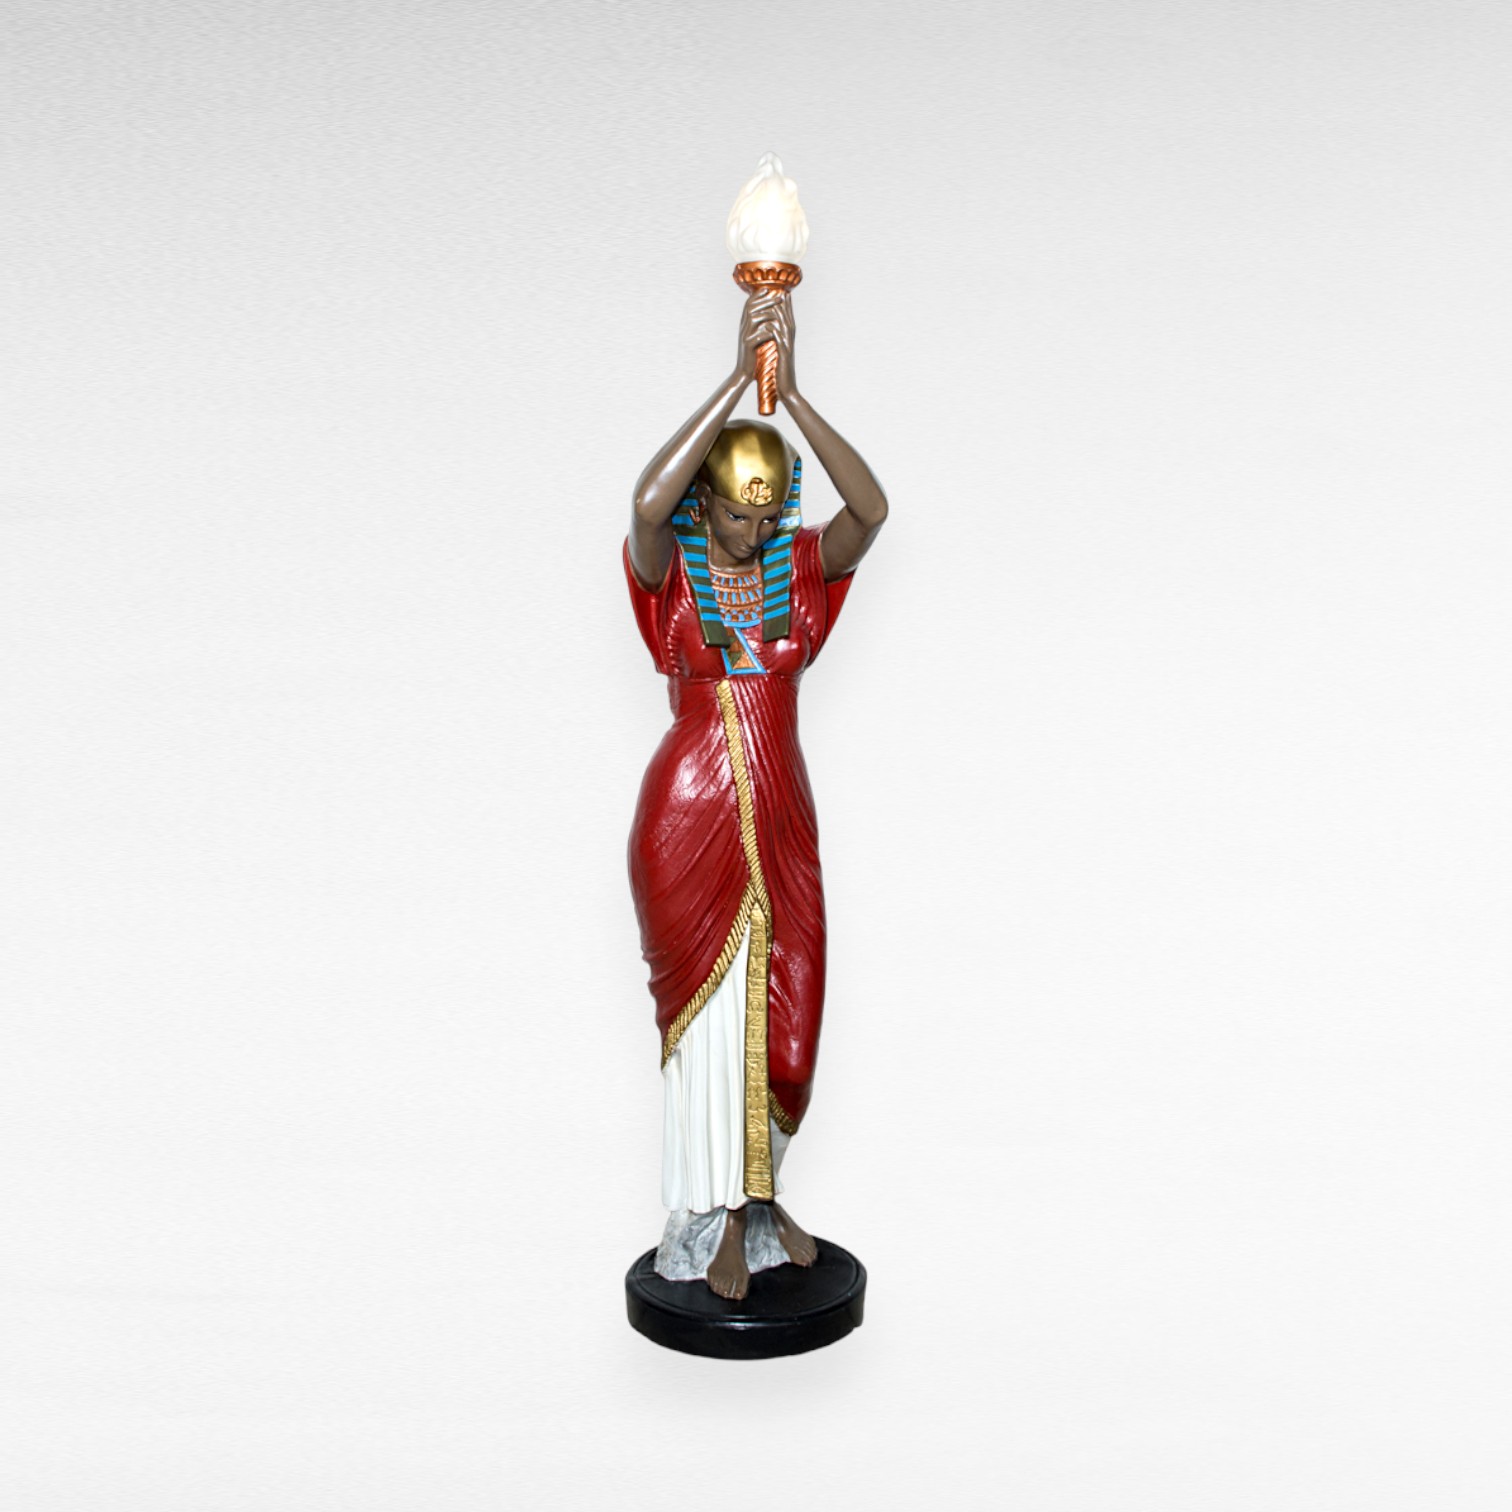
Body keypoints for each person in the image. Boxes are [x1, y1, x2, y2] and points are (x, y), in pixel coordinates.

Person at [625, 289, 887, 1300]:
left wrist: (794, 396)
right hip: (689, 811)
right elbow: (647, 506)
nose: (754, 530)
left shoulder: (798, 568)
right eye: (738, 512)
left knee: (790, 1011)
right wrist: (738, 379)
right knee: (711, 1022)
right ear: (709, 502)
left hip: (780, 815)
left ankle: (764, 1202)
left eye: (769, 514)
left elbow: (871, 511)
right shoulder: (675, 576)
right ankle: (717, 1221)